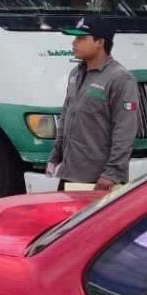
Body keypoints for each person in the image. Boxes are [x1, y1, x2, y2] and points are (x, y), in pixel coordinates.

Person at [48, 16, 139, 190]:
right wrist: (55, 156)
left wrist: (111, 175)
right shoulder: (75, 74)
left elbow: (124, 131)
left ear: (99, 42)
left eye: (81, 38)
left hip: (99, 181)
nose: (74, 43)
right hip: (69, 174)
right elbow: (66, 116)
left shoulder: (120, 79)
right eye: (75, 38)